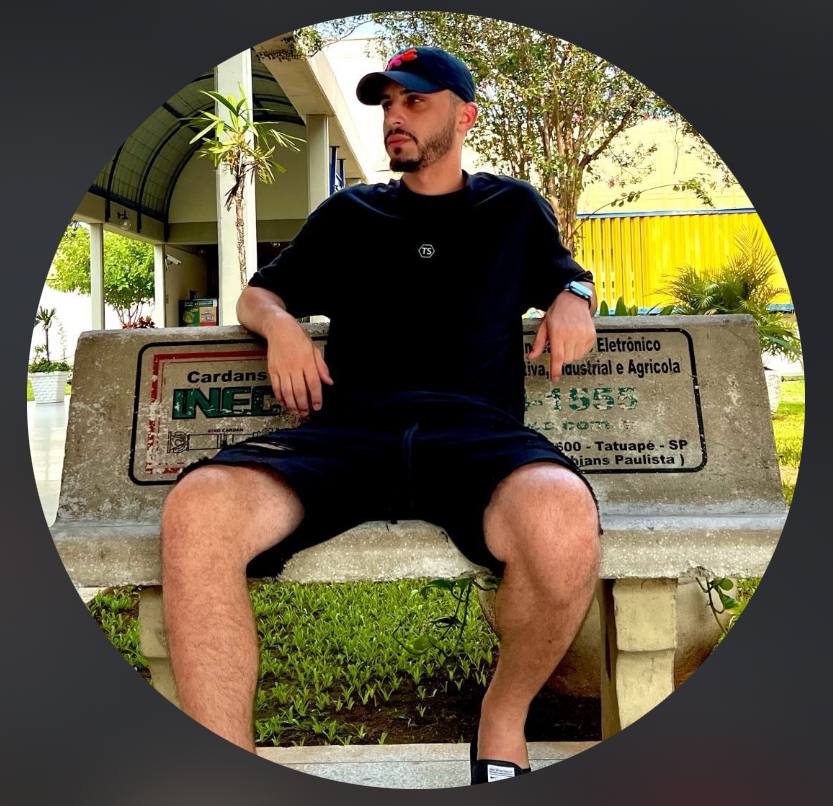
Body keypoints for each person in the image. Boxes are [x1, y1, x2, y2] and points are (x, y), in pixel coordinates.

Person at [161, 46, 601, 785]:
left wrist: (574, 298)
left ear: (464, 116)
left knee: (563, 515)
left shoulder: (512, 209)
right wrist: (281, 326)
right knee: (199, 507)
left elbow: (570, 277)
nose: (395, 117)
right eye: (388, 103)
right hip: (350, 435)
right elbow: (258, 294)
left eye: (415, 101)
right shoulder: (349, 215)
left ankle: (501, 720)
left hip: (475, 436)